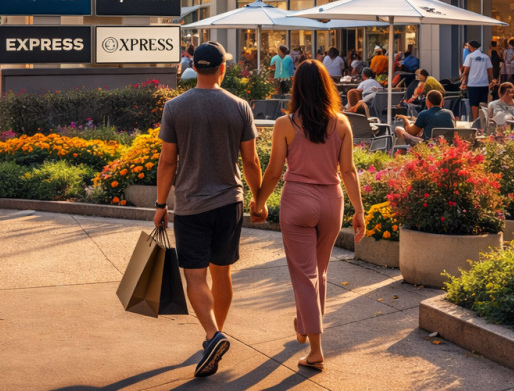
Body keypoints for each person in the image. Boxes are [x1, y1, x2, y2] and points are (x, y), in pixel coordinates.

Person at [153, 42, 262, 379]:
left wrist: (160, 205)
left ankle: (213, 335)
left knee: (195, 277)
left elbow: (168, 161)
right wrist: (260, 199)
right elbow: (251, 160)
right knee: (222, 273)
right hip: (230, 201)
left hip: (191, 204)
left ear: (194, 69)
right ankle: (214, 335)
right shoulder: (240, 106)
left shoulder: (174, 107)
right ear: (222, 69)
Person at [252, 59, 364, 372]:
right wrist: (359, 211)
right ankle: (304, 323)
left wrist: (259, 202)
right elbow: (349, 171)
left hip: (297, 202)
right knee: (320, 272)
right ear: (327, 86)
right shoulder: (341, 123)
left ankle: (315, 350)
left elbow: (274, 171)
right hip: (332, 201)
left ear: (297, 86)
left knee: (304, 276)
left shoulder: (285, 124)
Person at [460, 40, 492, 111]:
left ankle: (475, 120)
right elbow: (490, 70)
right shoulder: (486, 57)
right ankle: (483, 120)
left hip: (473, 84)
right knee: (483, 104)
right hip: (484, 84)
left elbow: (466, 72)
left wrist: (463, 82)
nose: (468, 48)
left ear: (472, 47)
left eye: (468, 46)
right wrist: (491, 81)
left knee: (474, 104)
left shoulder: (470, 56)